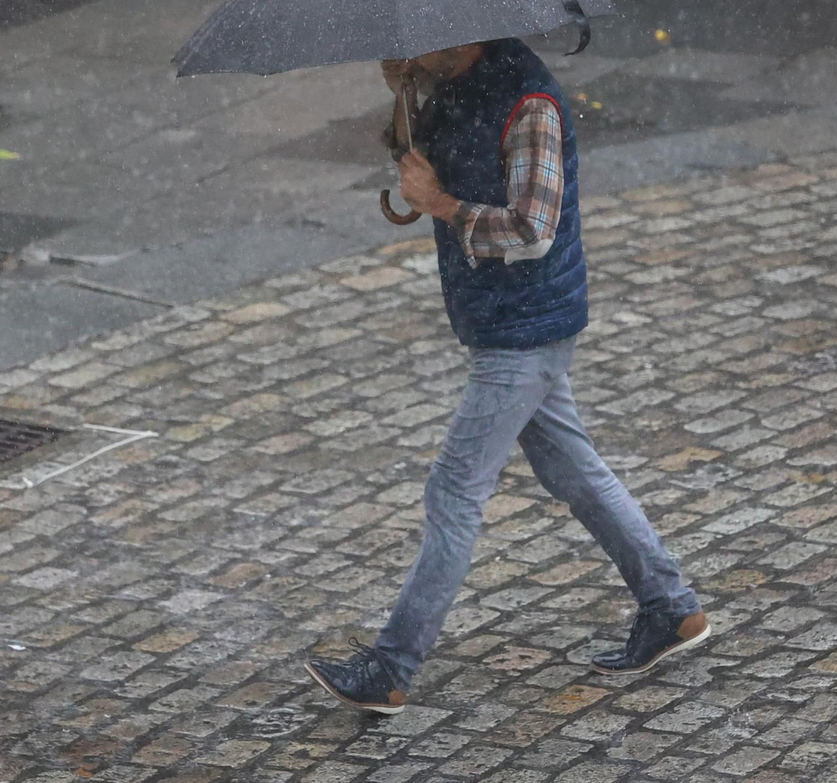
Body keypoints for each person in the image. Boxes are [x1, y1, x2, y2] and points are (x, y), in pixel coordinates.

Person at [304, 38, 709, 715]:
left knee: (454, 490)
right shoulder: (453, 81)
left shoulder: (530, 106)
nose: (409, 47)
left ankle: (392, 666)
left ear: (462, 32)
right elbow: (423, 161)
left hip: (525, 330)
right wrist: (403, 94)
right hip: (501, 320)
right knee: (572, 471)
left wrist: (440, 205)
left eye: (419, 41)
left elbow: (533, 230)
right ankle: (671, 606)